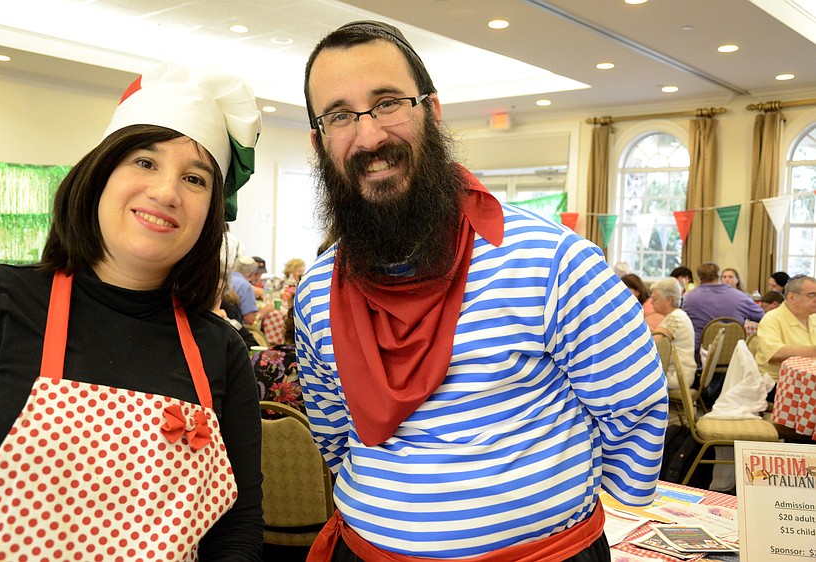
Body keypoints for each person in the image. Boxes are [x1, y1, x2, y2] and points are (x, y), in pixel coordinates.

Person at [294, 20, 668, 562]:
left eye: (388, 103)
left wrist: (549, 504)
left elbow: (633, 405)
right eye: (340, 116)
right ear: (319, 141)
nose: (370, 136)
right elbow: (333, 432)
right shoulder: (314, 291)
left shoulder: (552, 259)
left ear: (433, 111)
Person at [0, 63, 264, 560]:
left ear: (210, 215)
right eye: (145, 163)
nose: (166, 193)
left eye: (194, 178)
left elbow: (237, 529)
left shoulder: (220, 349)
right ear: (100, 175)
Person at [681, 262, 763, 359]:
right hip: (734, 356)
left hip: (699, 356)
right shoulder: (741, 297)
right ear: (719, 276)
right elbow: (763, 317)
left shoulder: (688, 299)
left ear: (699, 277)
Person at [755, 275, 816, 380]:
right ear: (791, 297)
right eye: (812, 295)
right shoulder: (772, 319)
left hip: (808, 379)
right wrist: (812, 352)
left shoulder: (813, 317)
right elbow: (775, 354)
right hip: (779, 382)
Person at [651, 277, 697, 390]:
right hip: (683, 373)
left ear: (668, 300)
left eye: (655, 299)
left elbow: (654, 345)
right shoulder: (678, 315)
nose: (651, 303)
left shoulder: (675, 319)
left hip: (676, 376)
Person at [231, 255, 262, 325]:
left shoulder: (225, 278)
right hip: (236, 328)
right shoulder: (245, 286)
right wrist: (266, 310)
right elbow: (250, 320)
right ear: (252, 274)